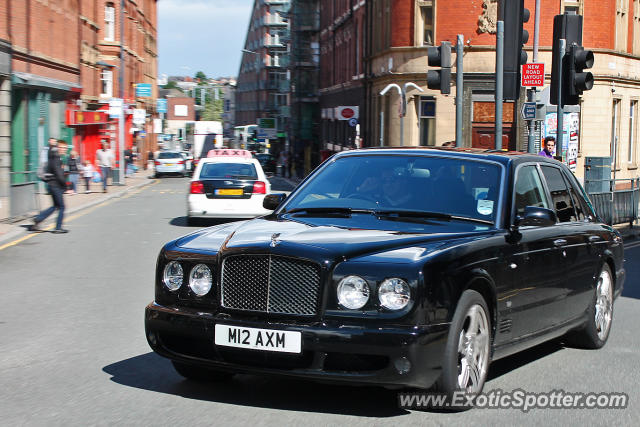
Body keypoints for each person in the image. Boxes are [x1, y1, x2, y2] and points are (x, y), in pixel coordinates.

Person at [31, 140, 68, 233]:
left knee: (56, 206)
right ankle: (58, 228)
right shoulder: (56, 158)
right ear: (58, 147)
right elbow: (59, 174)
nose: (64, 150)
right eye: (62, 148)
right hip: (55, 185)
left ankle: (38, 219)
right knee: (62, 207)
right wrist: (66, 186)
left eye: (65, 148)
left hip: (52, 185)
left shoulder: (53, 156)